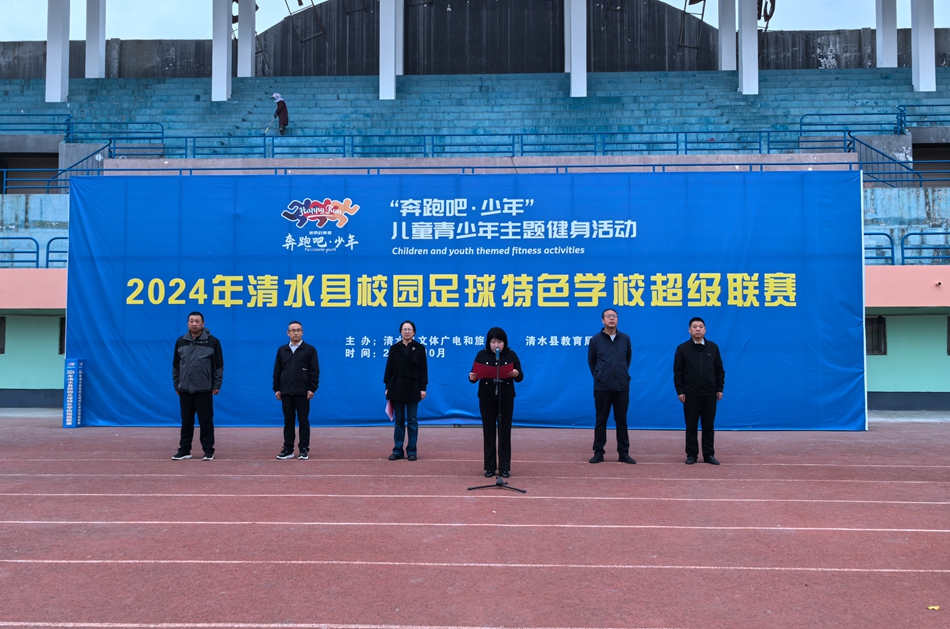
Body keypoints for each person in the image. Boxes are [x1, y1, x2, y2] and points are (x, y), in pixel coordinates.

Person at [468, 327, 524, 478]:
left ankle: (504, 467)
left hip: (505, 398)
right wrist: (471, 377)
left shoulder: (511, 355)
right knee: (489, 432)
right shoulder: (481, 355)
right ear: (488, 343)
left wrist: (516, 373)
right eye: (493, 342)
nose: (496, 345)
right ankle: (490, 467)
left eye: (499, 342)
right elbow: (473, 375)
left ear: (504, 342)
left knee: (505, 432)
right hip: (486, 398)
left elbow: (520, 377)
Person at [171, 312, 224, 461]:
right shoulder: (181, 341)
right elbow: (176, 366)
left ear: (203, 323)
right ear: (187, 323)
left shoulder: (212, 342)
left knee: (206, 421)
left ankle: (208, 451)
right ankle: (184, 450)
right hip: (185, 388)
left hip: (204, 388)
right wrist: (177, 384)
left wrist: (217, 384)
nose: (194, 324)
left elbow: (218, 366)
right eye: (191, 321)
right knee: (186, 421)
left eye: (197, 321)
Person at [673, 317, 725, 465]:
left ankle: (709, 454)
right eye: (694, 327)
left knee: (708, 426)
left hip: (710, 393)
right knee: (691, 426)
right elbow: (678, 372)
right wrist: (680, 391)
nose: (698, 329)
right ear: (689, 330)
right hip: (690, 394)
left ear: (705, 330)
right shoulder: (682, 348)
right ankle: (691, 454)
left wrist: (719, 388)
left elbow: (719, 370)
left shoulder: (713, 348)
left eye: (700, 326)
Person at [587, 308, 636, 464]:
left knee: (622, 421)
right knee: (601, 420)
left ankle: (623, 453)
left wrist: (622, 374)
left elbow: (627, 360)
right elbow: (592, 362)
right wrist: (600, 376)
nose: (612, 319)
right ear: (603, 320)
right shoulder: (595, 340)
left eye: (614, 316)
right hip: (602, 387)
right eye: (608, 316)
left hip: (621, 386)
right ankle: (599, 452)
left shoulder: (625, 338)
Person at [273, 321, 319, 460]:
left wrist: (312, 388)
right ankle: (288, 449)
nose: (296, 333)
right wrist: (277, 388)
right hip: (286, 391)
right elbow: (277, 371)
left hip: (303, 392)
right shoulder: (282, 350)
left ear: (302, 332)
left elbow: (314, 371)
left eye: (298, 330)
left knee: (303, 421)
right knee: (288, 422)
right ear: (288, 333)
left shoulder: (309, 350)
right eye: (293, 330)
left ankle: (303, 449)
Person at [383, 320, 428, 461]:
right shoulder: (394, 348)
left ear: (414, 332)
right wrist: (387, 387)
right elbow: (389, 368)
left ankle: (412, 451)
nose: (407, 332)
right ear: (400, 332)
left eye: (409, 329)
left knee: (412, 420)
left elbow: (423, 370)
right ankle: (397, 450)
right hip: (397, 386)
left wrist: (423, 388)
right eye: (404, 329)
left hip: (414, 387)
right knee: (399, 420)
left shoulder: (419, 348)